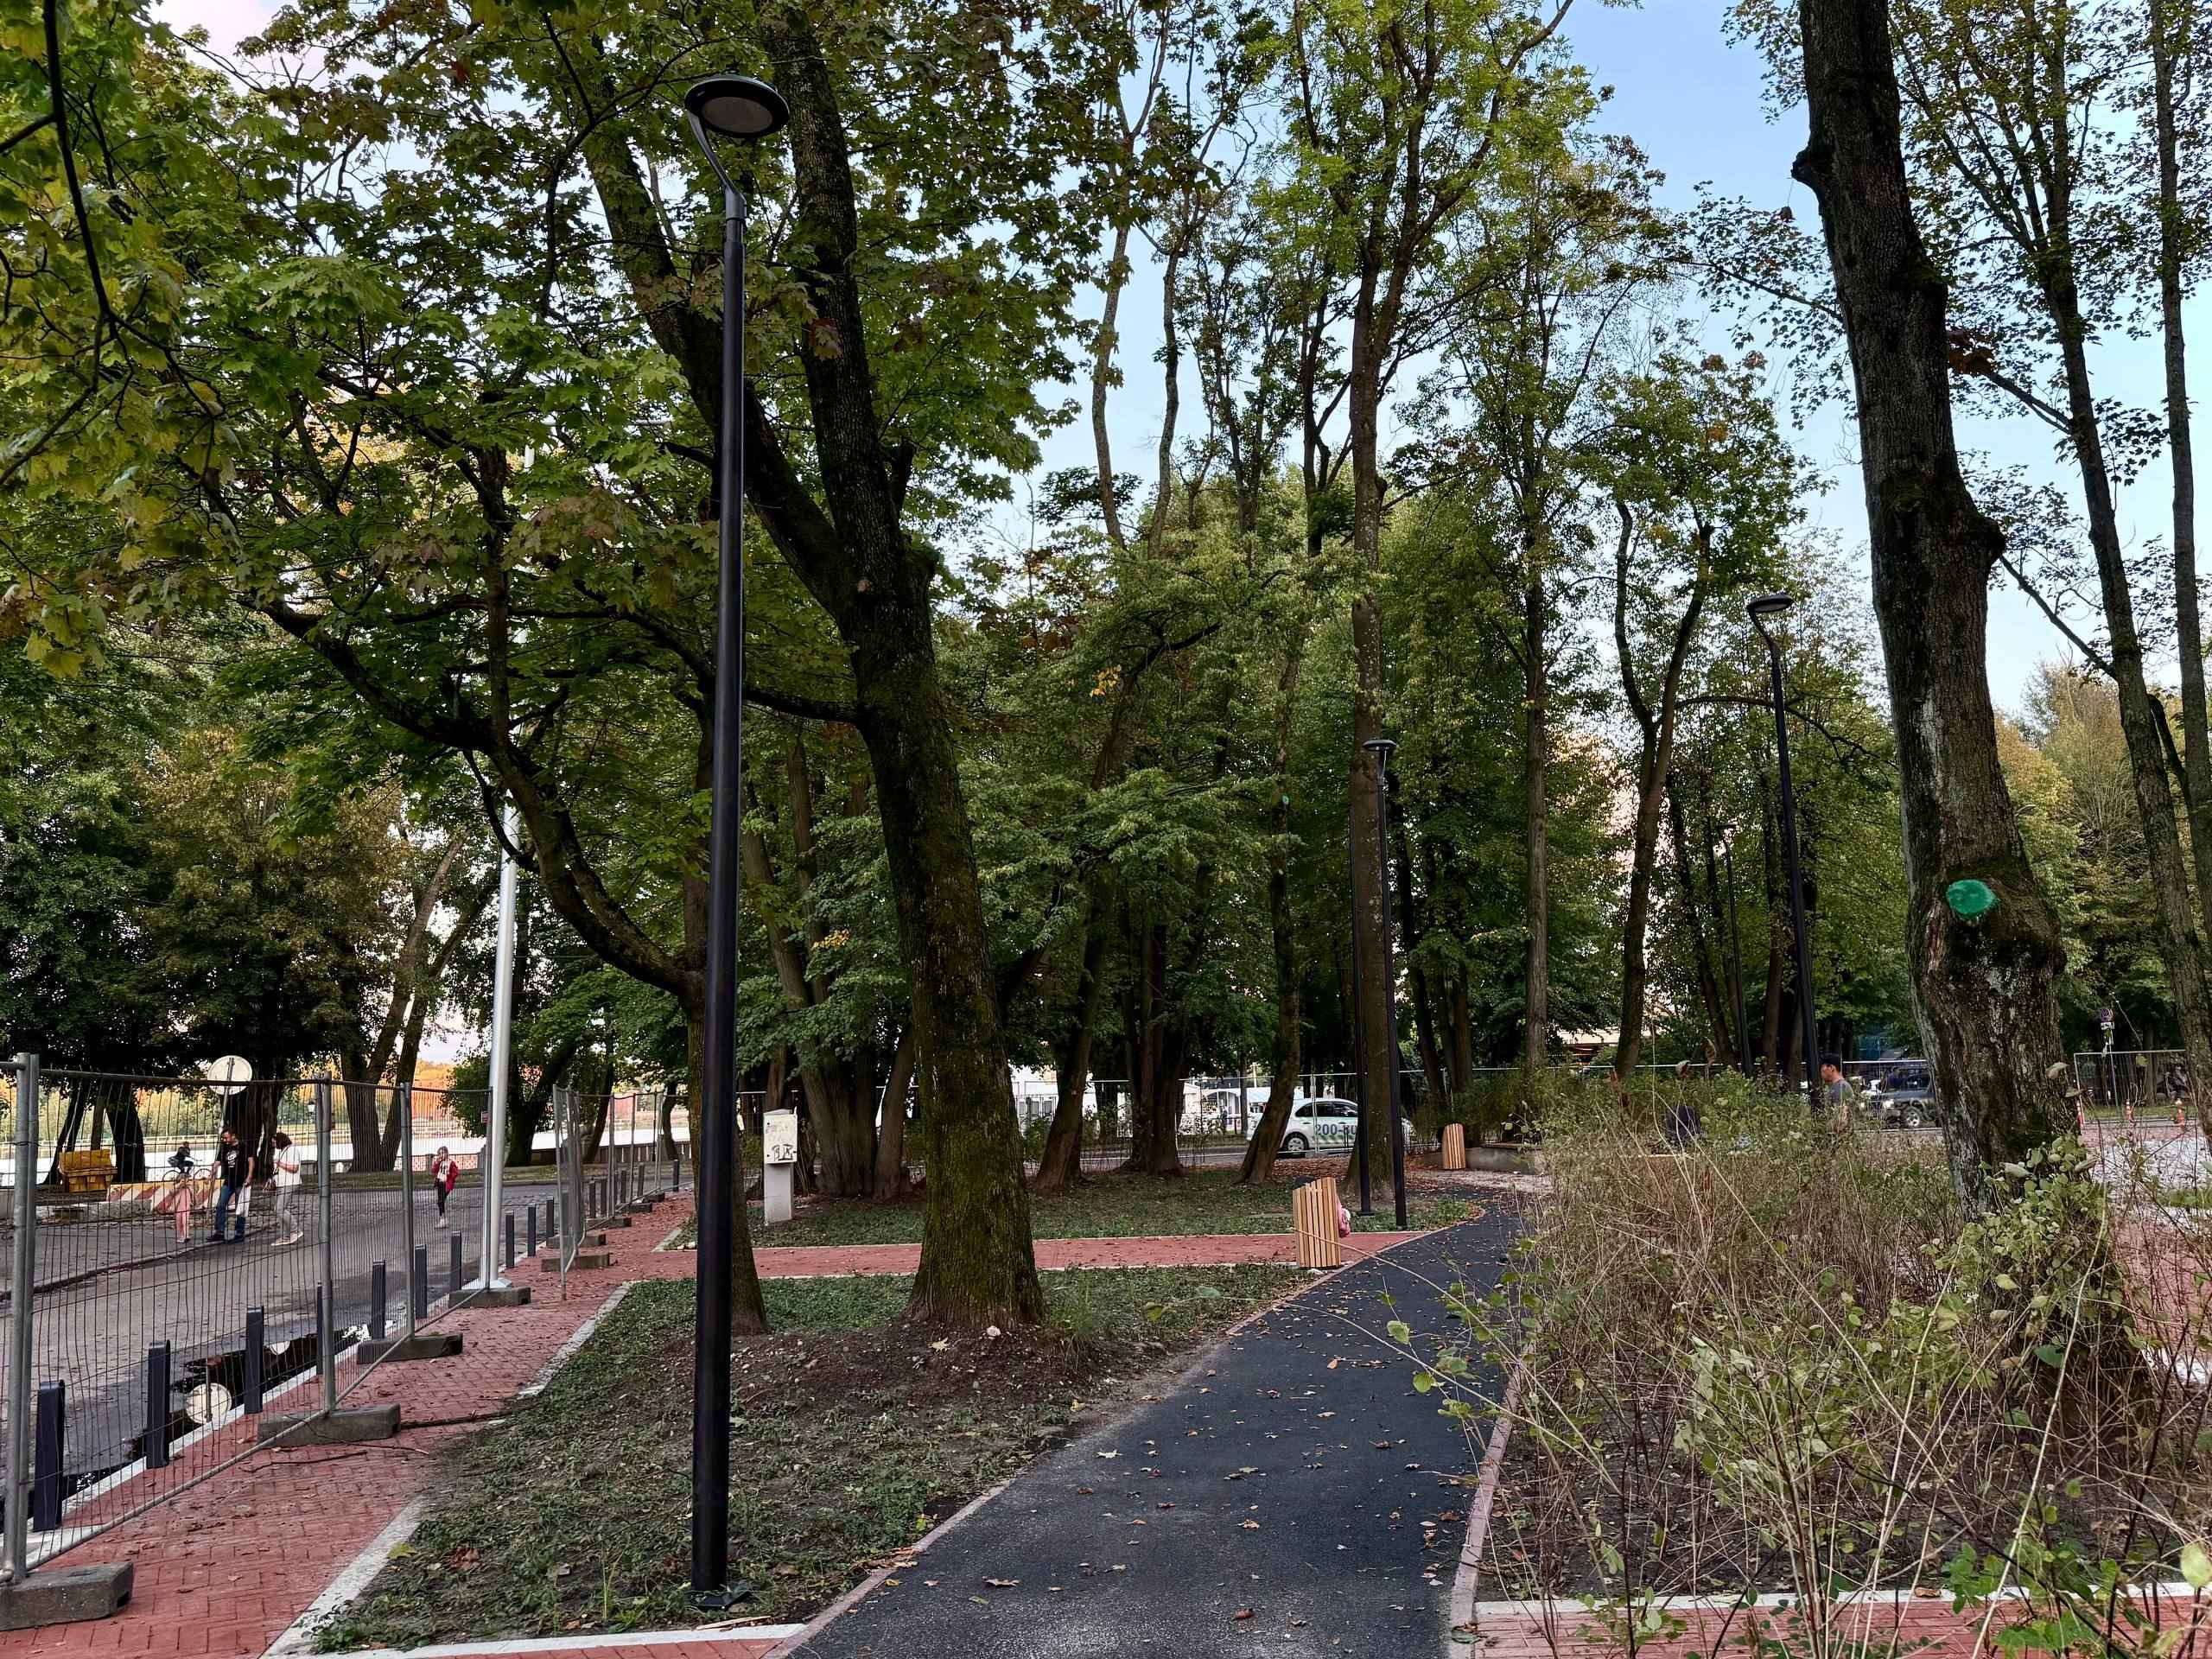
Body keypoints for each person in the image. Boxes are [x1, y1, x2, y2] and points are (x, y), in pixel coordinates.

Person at [210, 1125, 255, 1243]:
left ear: (233, 1136)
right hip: (228, 1181)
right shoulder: (224, 1147)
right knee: (221, 1205)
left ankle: (239, 1233)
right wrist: (212, 1172)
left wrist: (249, 1176)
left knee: (240, 1207)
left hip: (241, 1181)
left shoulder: (244, 1147)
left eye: (226, 1137)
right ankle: (219, 1232)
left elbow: (251, 1161)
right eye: (223, 1138)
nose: (224, 1140)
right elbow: (218, 1162)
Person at [270, 1130, 305, 1247]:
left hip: (290, 1183)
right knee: (279, 1210)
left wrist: (279, 1163)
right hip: (281, 1183)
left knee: (279, 1209)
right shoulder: (283, 1151)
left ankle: (295, 1230)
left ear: (280, 1141)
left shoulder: (292, 1151)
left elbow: (294, 1168)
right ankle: (284, 1236)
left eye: (274, 1142)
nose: (273, 1144)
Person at [430, 1146, 459, 1228]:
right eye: (439, 1154)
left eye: (442, 1153)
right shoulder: (440, 1162)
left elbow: (456, 1172)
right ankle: (443, 1220)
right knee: (440, 1202)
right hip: (440, 1183)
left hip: (446, 1184)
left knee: (441, 1201)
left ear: (447, 1153)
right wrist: (436, 1163)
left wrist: (450, 1175)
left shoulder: (450, 1163)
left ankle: (443, 1220)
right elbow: (434, 1171)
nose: (441, 1155)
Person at [1820, 1055, 1852, 1126]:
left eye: (1822, 1067)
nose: (1821, 1071)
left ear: (1831, 1068)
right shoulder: (1838, 1086)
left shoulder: (1840, 1088)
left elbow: (1842, 1119)